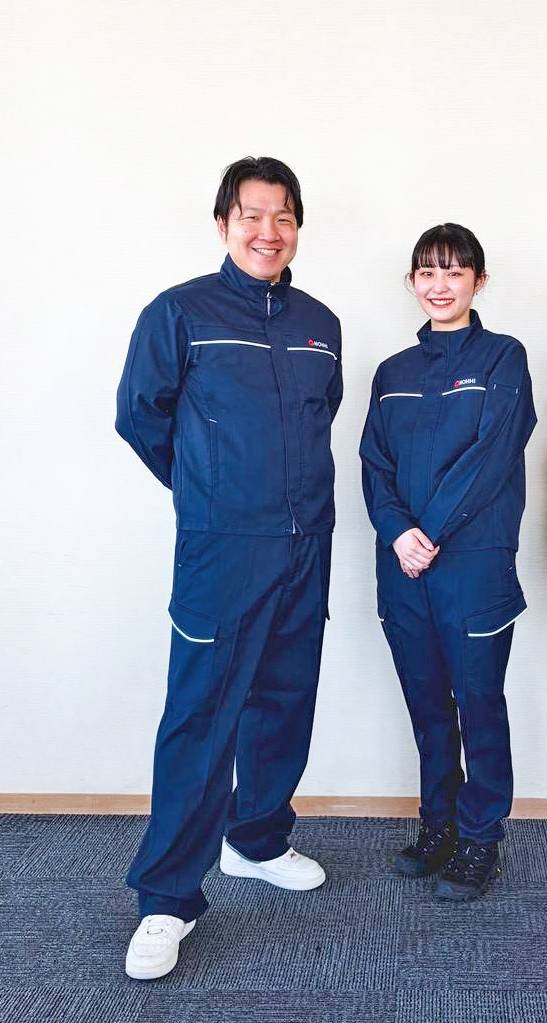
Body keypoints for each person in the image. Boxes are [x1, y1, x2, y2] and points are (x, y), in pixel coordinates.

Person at [116, 156, 342, 978]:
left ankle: (256, 839)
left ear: (297, 227)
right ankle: (166, 897)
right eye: (251, 214)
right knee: (201, 715)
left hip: (306, 542)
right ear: (223, 224)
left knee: (284, 699)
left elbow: (321, 417)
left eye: (282, 216)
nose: (267, 231)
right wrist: (209, 491)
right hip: (222, 548)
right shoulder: (179, 313)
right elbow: (139, 416)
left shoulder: (321, 324)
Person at [360, 224, 536, 901]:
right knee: (428, 706)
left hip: (473, 567)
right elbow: (374, 464)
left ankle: (481, 836)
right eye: (428, 272)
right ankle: (439, 825)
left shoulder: (502, 358)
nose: (440, 285)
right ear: (411, 282)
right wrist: (397, 532)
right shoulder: (393, 373)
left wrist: (425, 532)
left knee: (479, 703)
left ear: (478, 282)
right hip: (403, 569)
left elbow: (491, 457)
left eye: (455, 271)